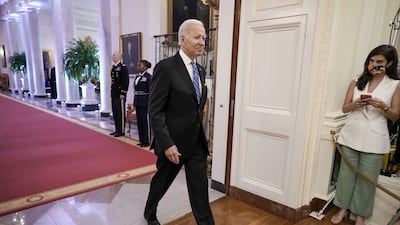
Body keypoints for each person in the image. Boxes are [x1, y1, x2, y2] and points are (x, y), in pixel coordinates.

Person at [143, 19, 215, 225]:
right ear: (182, 39)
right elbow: (155, 110)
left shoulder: (200, 71)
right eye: (197, 37)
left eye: (204, 37)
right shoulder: (165, 68)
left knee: (200, 191)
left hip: (196, 144)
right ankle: (150, 212)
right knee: (161, 184)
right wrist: (167, 143)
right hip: (173, 145)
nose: (202, 42)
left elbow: (196, 107)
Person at [333, 45, 400, 225]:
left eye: (379, 62)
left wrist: (382, 106)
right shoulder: (356, 81)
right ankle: (342, 208)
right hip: (351, 134)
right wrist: (355, 105)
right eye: (371, 61)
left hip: (375, 138)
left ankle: (360, 215)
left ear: (390, 63)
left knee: (367, 180)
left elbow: (395, 115)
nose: (374, 64)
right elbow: (344, 107)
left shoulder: (394, 85)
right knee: (346, 176)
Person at [110, 52, 129, 137]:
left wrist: (123, 92)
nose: (113, 56)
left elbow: (125, 81)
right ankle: (117, 129)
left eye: (114, 55)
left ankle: (121, 130)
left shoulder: (123, 67)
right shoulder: (113, 68)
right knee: (115, 112)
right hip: (114, 93)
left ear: (119, 57)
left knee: (120, 113)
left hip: (120, 94)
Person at [134, 59, 152, 147]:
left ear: (145, 67)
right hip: (138, 101)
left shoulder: (148, 77)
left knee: (145, 122)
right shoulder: (137, 76)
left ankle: (146, 141)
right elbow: (135, 91)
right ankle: (141, 140)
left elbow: (151, 91)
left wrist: (149, 103)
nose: (138, 67)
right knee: (140, 121)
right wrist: (134, 103)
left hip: (145, 102)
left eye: (139, 65)